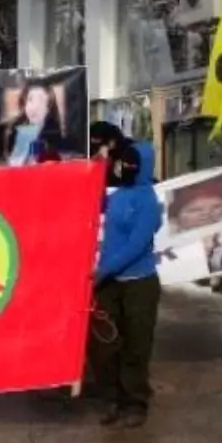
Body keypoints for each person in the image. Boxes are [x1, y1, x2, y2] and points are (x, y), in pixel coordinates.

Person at [89, 141, 162, 428]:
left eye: (132, 162)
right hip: (109, 284)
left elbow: (136, 245)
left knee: (136, 346)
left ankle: (135, 403)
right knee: (104, 343)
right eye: (124, 162)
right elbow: (91, 203)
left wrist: (103, 271)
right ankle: (111, 399)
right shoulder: (118, 195)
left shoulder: (148, 202)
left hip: (139, 284)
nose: (126, 166)